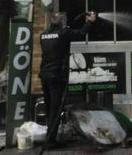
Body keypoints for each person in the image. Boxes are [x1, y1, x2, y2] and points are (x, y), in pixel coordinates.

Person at [39, 10, 99, 146]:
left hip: (44, 75)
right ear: (61, 22)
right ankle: (51, 140)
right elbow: (82, 34)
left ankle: (50, 136)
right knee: (55, 107)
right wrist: (89, 22)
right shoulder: (64, 33)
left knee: (49, 107)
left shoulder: (43, 35)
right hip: (56, 76)